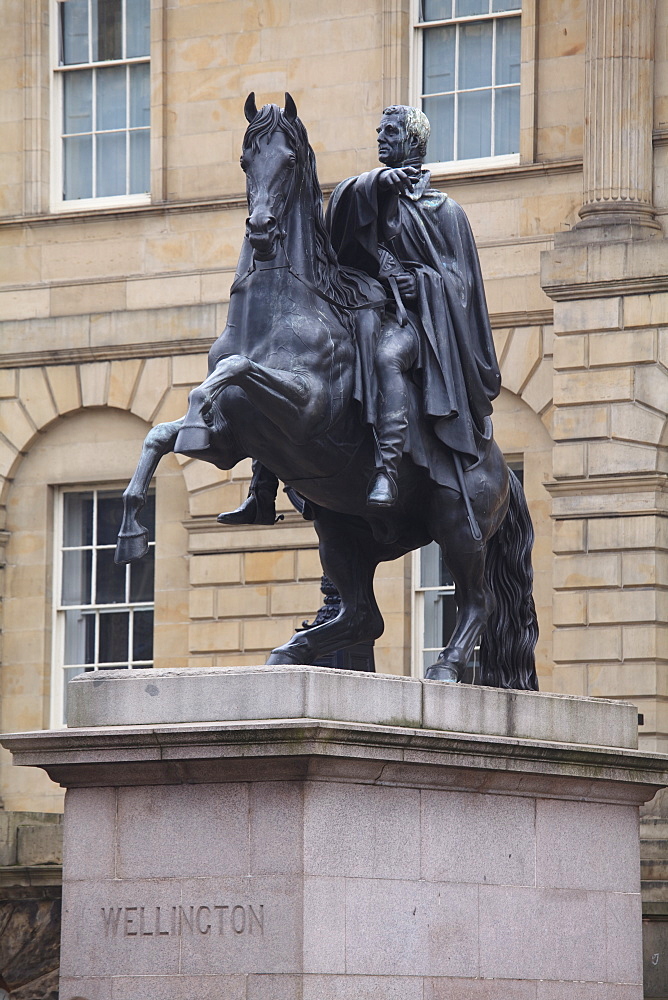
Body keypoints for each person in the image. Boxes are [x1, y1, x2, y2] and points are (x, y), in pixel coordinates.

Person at [218, 105, 500, 524]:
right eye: (379, 129)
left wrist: (420, 283)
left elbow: (462, 288)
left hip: (413, 324)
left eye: (391, 130)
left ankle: (386, 469)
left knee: (388, 357)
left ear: (413, 142)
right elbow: (335, 240)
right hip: (359, 307)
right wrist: (379, 183)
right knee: (292, 358)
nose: (381, 136)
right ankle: (263, 486)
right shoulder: (361, 193)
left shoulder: (444, 211)